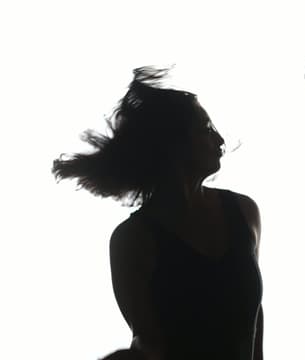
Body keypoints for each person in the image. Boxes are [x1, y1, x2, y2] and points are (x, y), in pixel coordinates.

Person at [52, 68, 263, 360]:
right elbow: (150, 346)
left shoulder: (244, 212)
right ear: (175, 145)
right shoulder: (133, 240)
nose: (220, 139)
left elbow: (253, 317)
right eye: (206, 129)